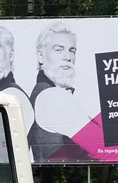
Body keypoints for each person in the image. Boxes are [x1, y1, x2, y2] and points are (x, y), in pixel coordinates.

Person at [29, 22, 92, 162]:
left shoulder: (42, 91)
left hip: (49, 177)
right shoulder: (52, 96)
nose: (67, 57)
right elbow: (98, 142)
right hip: (57, 176)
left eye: (72, 50)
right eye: (59, 50)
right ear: (41, 56)